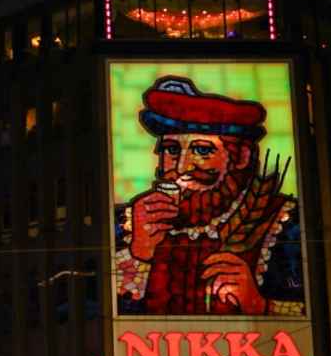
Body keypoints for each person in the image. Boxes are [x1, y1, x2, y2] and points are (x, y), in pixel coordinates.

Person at [115, 76, 305, 315]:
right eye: (172, 150)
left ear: (242, 157)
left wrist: (260, 304)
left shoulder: (285, 223)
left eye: (202, 150)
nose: (182, 166)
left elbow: (325, 313)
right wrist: (138, 254)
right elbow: (86, 312)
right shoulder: (125, 223)